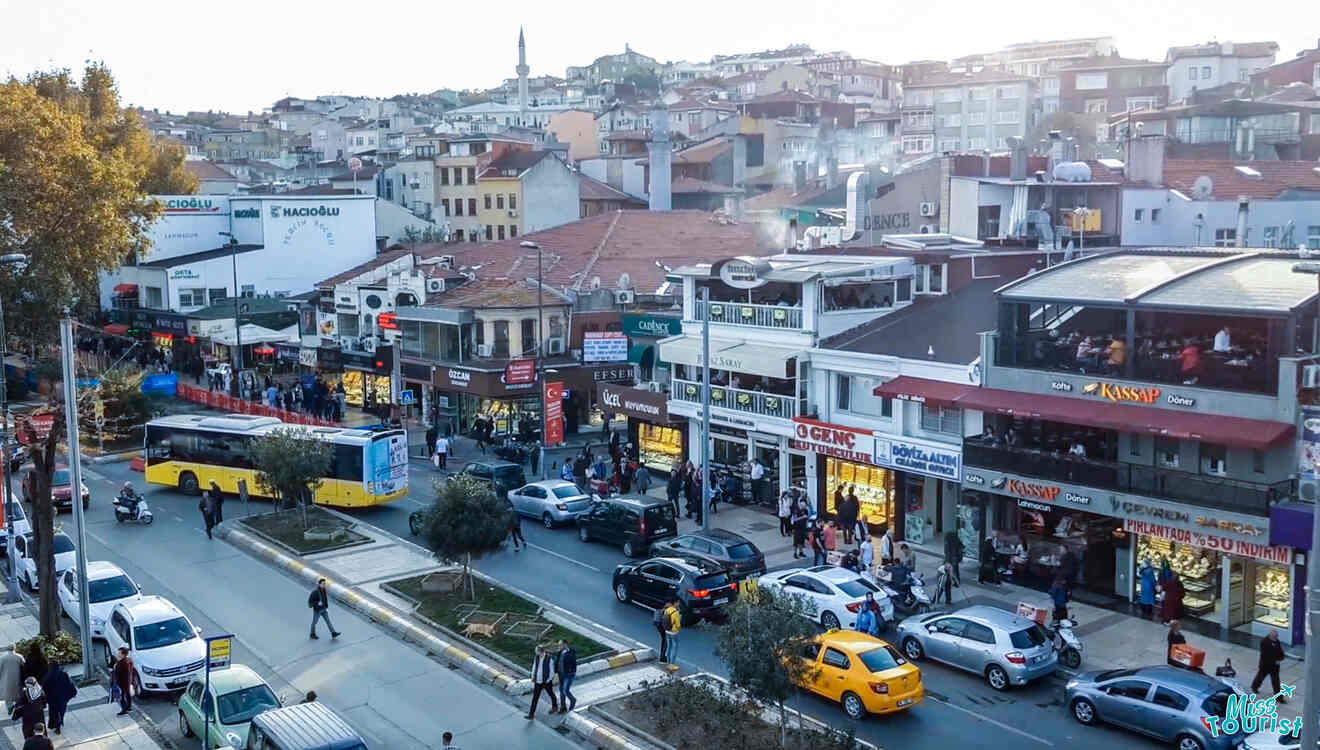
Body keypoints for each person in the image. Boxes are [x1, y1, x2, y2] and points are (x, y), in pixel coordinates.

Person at [1252, 628, 1286, 701]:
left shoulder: (1277, 642)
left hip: (1275, 667)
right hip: (1265, 665)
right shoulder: (1264, 642)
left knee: (1276, 682)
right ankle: (1254, 687)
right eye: (1275, 636)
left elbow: (1280, 651)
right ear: (1270, 636)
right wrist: (1275, 660)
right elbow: (1265, 655)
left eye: (1276, 636)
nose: (1276, 638)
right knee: (1260, 677)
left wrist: (1281, 657)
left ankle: (1279, 697)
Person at [40, 663, 75, 735]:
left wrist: (47, 698)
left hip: (52, 699)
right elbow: (69, 685)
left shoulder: (48, 676)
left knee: (54, 713)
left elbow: (44, 688)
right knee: (61, 711)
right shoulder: (63, 674)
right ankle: (60, 722)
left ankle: (56, 725)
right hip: (63, 697)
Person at [526, 644, 559, 719]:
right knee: (535, 698)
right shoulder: (536, 657)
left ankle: (555, 707)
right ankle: (531, 715)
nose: (535, 652)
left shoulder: (549, 659)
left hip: (546, 681)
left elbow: (551, 671)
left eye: (536, 651)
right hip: (538, 681)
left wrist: (547, 680)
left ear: (540, 651)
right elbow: (534, 667)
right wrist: (533, 676)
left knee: (551, 694)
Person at [555, 639, 577, 714]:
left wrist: (572, 672)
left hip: (568, 674)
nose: (559, 646)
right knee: (561, 691)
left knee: (565, 690)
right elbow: (557, 661)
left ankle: (573, 700)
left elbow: (572, 662)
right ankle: (563, 707)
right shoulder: (560, 652)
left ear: (565, 644)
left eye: (560, 645)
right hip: (561, 674)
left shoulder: (571, 652)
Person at [0, 646, 22, 715]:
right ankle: (17, 708)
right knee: (17, 695)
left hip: (6, 679)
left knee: (8, 696)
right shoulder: (19, 656)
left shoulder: (3, 658)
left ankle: (9, 707)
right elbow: (24, 666)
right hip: (18, 678)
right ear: (14, 649)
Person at [112, 647, 133, 715]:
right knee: (127, 694)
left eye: (119, 652)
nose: (118, 653)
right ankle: (129, 707)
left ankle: (124, 710)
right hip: (128, 681)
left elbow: (118, 673)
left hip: (122, 682)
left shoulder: (122, 663)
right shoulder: (129, 660)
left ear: (123, 654)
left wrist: (115, 667)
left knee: (122, 696)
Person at [662, 599, 681, 671]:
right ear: (675, 603)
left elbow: (664, 619)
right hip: (674, 632)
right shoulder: (676, 613)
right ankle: (672, 665)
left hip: (667, 631)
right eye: (678, 603)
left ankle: (668, 663)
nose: (679, 604)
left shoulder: (667, 610)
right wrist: (678, 629)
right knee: (675, 647)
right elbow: (678, 624)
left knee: (669, 646)